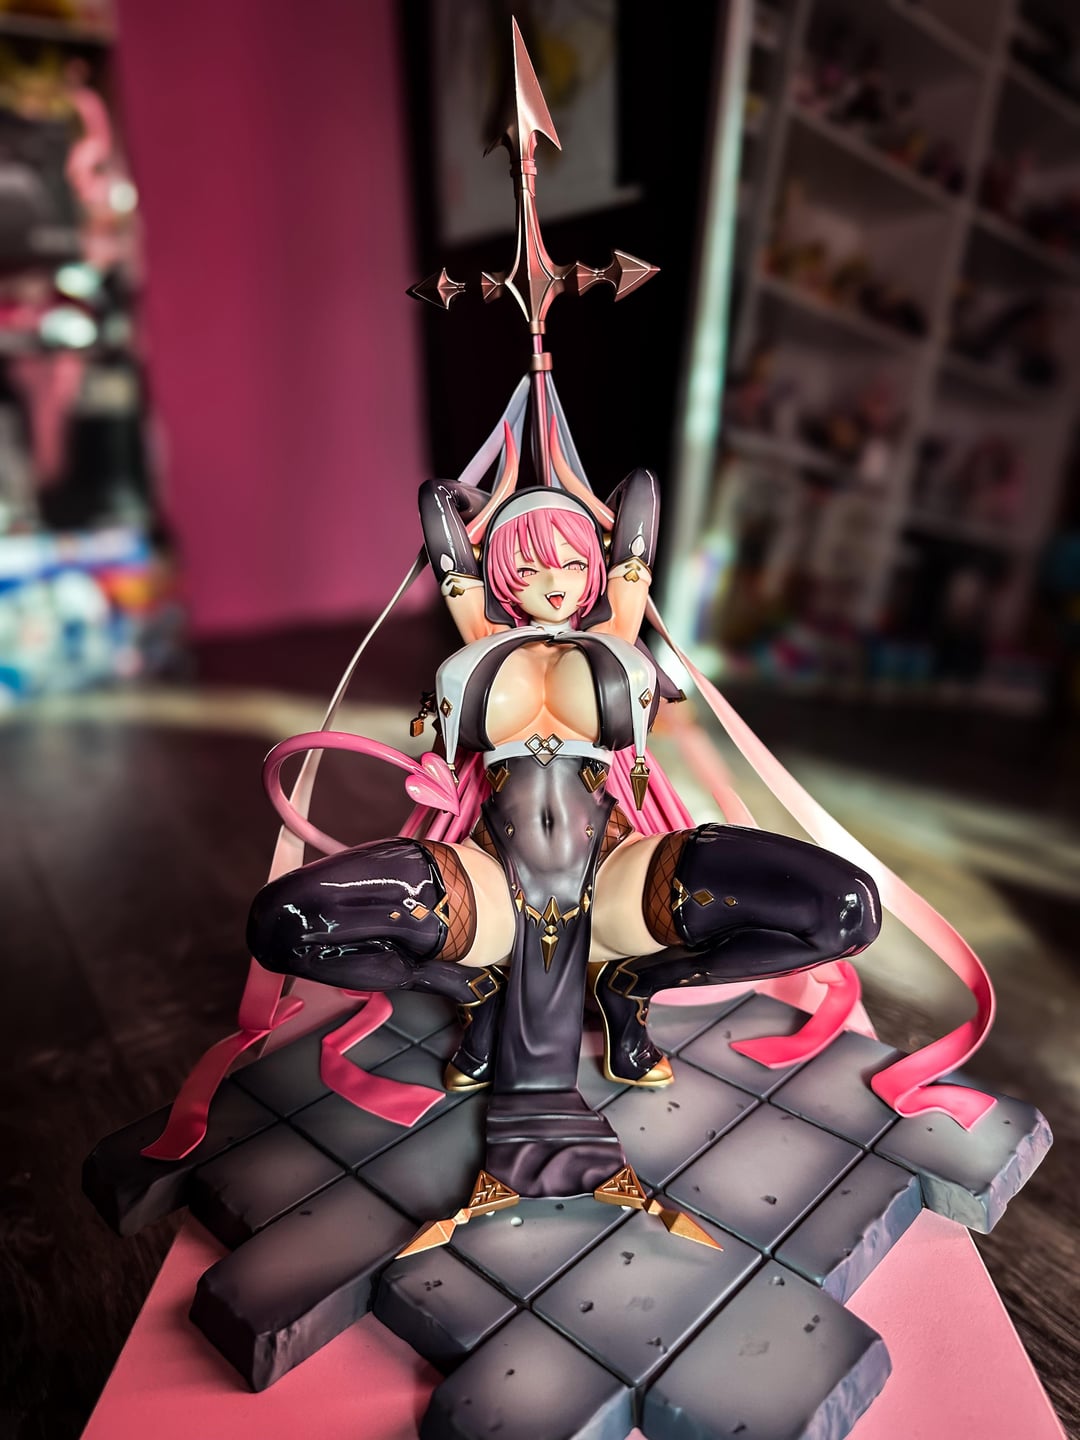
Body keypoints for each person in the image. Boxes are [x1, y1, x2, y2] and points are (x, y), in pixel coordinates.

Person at [246, 434, 880, 1200]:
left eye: (575, 563)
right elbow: (438, 503)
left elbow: (640, 490)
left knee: (845, 910)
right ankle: (474, 993)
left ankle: (633, 986)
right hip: (489, 883)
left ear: (599, 568)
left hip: (619, 876)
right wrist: (498, 500)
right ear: (498, 576)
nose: (556, 582)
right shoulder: (483, 634)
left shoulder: (615, 628)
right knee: (283, 924)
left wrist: (565, 485)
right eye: (529, 566)